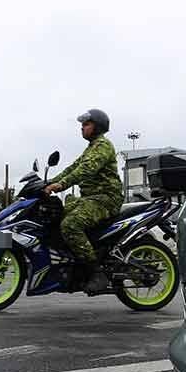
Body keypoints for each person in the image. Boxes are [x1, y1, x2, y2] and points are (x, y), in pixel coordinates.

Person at [43, 109, 124, 293]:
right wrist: (48, 182)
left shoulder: (103, 145)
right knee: (57, 216)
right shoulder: (92, 147)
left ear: (97, 126)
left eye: (86, 124)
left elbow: (85, 170)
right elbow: (74, 167)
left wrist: (60, 185)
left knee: (70, 225)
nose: (82, 127)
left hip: (105, 199)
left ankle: (96, 272)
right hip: (90, 198)